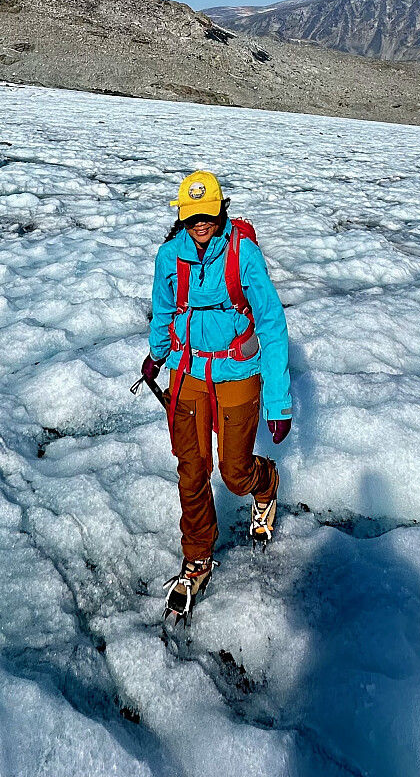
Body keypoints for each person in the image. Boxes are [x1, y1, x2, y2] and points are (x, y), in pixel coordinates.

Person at [141, 169, 292, 621]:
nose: (200, 222)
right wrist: (156, 356)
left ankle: (265, 483)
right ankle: (197, 558)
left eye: (207, 213)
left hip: (237, 371)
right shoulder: (169, 257)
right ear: (182, 217)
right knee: (191, 471)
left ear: (221, 209)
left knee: (234, 472)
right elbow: (163, 311)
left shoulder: (242, 254)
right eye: (192, 216)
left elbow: (271, 322)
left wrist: (278, 401)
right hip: (187, 370)